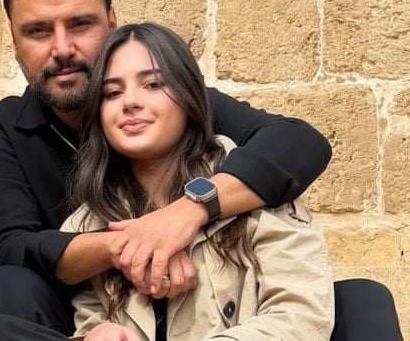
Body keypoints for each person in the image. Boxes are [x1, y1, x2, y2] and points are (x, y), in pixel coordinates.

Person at [0, 0, 402, 341]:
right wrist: (132, 245)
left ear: (111, 24)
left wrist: (188, 213)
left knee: (363, 301)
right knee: (3, 293)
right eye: (38, 31)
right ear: (14, 42)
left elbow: (299, 143)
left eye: (80, 24)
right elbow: (7, 251)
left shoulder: (187, 110)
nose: (62, 48)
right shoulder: (19, 139)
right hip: (74, 313)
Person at [62, 22, 334, 340]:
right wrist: (99, 332)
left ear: (189, 96)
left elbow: (301, 318)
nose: (130, 102)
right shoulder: (87, 225)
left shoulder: (256, 193)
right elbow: (89, 314)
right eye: (112, 93)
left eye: (153, 84)